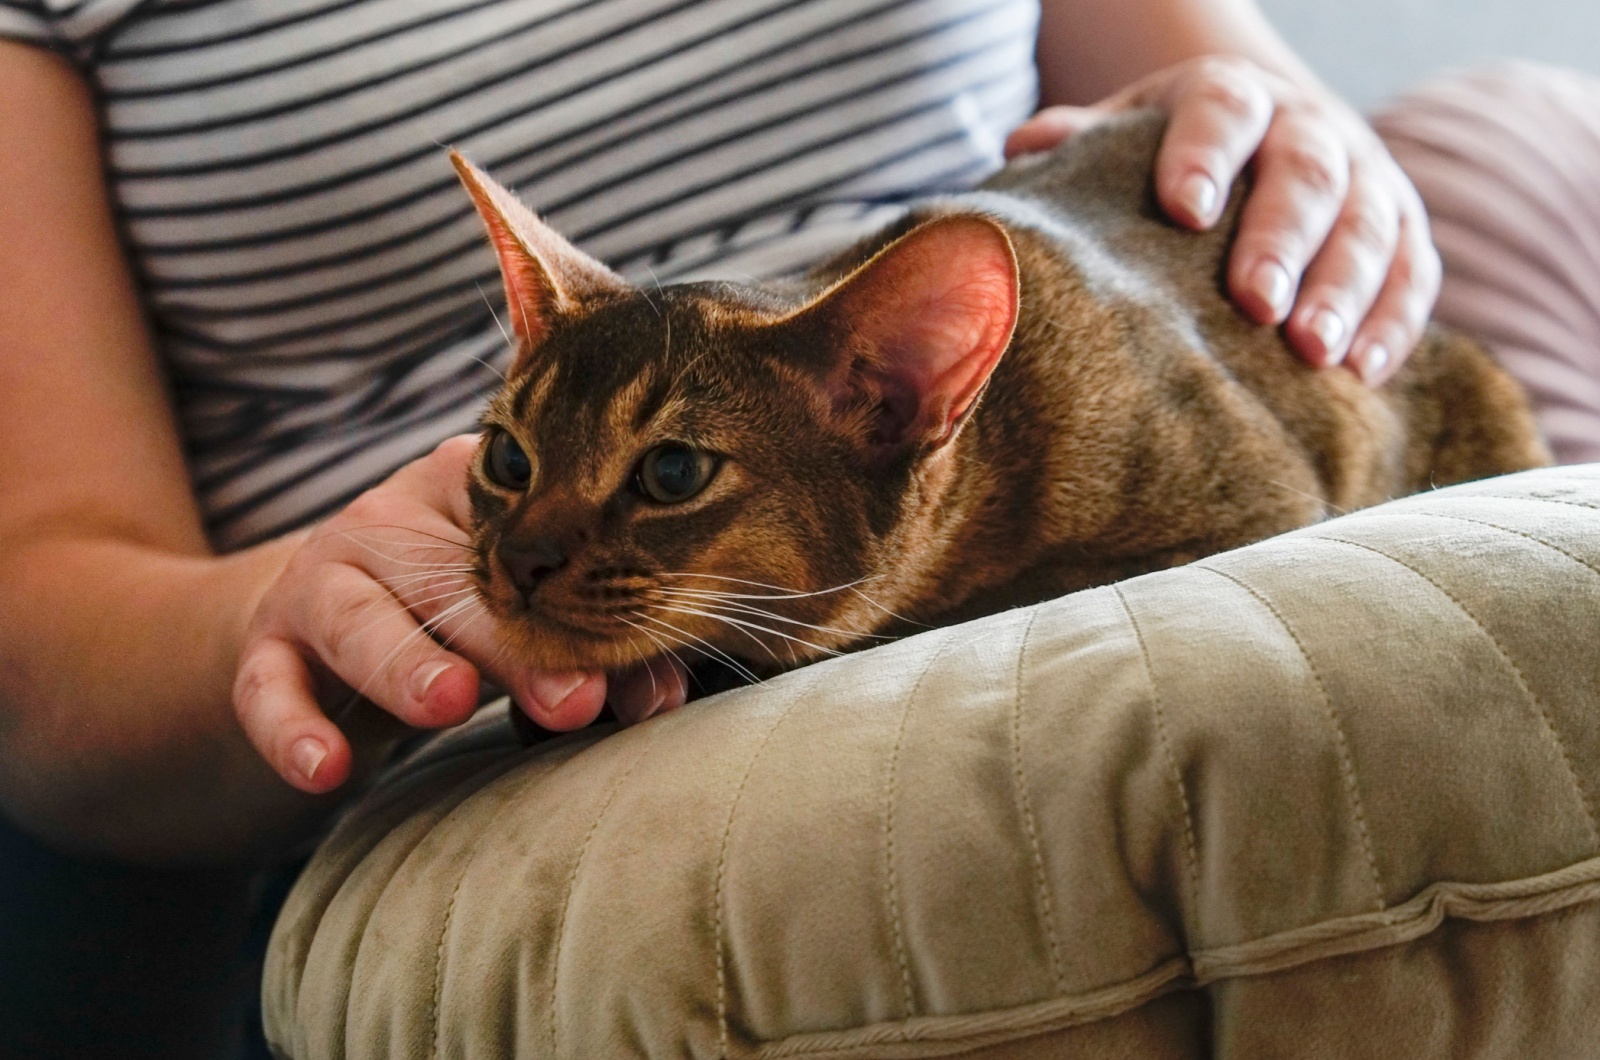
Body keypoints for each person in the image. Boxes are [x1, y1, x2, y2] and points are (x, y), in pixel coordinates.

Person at [0, 0, 1589, 1054]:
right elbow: (35, 620)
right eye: (520, 482)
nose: (543, 542)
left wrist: (1275, 131)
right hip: (468, 697)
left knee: (1531, 136)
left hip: (925, 377)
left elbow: (1251, 141)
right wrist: (291, 613)